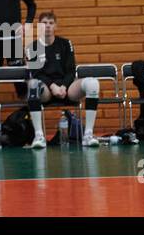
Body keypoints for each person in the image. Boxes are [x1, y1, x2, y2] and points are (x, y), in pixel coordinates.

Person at [23, 12, 101, 149]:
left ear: (55, 26)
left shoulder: (66, 44)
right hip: (46, 89)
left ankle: (88, 135)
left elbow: (71, 70)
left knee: (93, 83)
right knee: (33, 84)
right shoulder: (32, 47)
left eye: (51, 23)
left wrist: (64, 86)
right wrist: (53, 86)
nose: (47, 26)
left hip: (67, 88)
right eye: (44, 23)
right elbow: (37, 73)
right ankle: (39, 136)